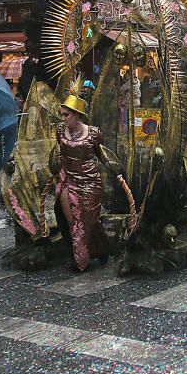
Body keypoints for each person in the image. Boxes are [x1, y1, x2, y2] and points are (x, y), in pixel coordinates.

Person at [49, 90, 126, 272]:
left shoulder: (93, 133)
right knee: (73, 222)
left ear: (77, 115)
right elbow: (58, 153)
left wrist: (117, 173)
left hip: (90, 183)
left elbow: (103, 154)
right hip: (67, 180)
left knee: (90, 222)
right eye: (62, 114)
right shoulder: (60, 130)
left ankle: (101, 249)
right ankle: (79, 260)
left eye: (66, 115)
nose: (63, 118)